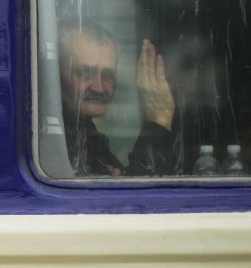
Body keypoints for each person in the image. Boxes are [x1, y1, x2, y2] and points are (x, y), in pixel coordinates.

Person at [58, 19, 179, 176]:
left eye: (108, 75)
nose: (99, 87)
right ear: (57, 74)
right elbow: (141, 196)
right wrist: (159, 120)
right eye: (85, 73)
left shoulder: (85, 134)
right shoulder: (52, 139)